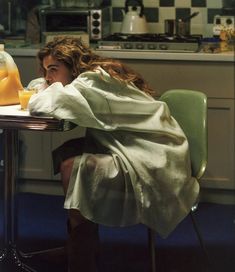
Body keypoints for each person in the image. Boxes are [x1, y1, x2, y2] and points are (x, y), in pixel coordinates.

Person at [28, 36, 199, 272]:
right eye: (46, 70)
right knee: (67, 152)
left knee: (72, 167)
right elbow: (46, 92)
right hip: (145, 145)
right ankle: (81, 245)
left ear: (73, 65)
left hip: (155, 156)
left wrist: (45, 88)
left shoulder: (91, 83)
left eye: (54, 70)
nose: (48, 77)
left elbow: (39, 104)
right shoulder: (94, 76)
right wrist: (49, 83)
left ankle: (80, 260)